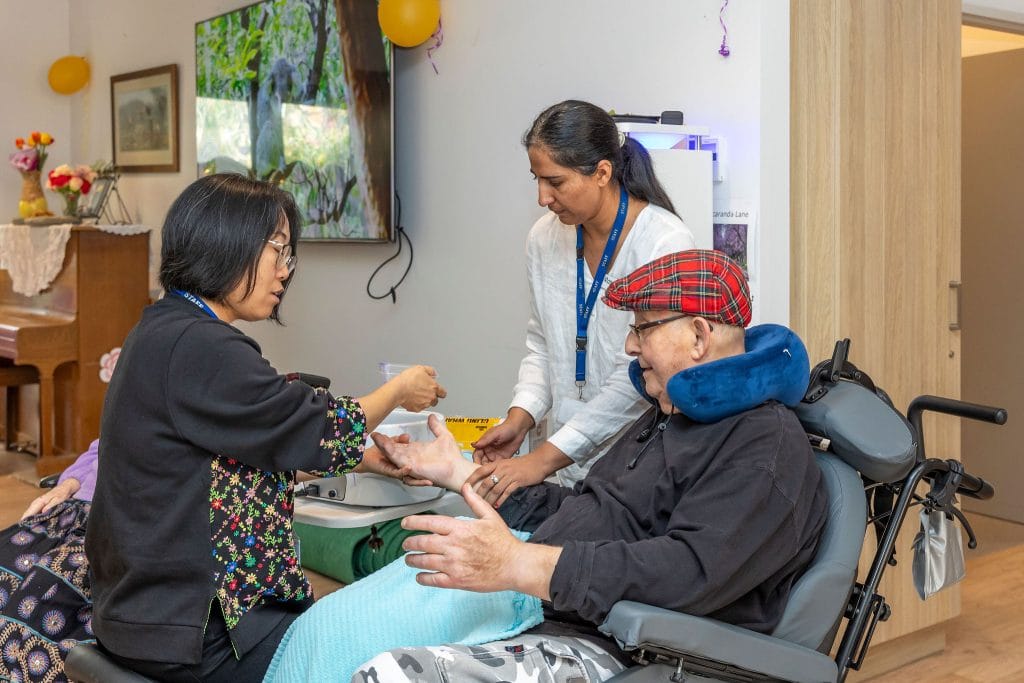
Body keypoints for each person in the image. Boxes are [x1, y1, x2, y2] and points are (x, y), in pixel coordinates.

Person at [356, 250, 828, 682]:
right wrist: (458, 472)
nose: (629, 345)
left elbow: (686, 571)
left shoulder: (764, 445)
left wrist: (519, 563)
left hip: (630, 652)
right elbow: (588, 509)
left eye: (643, 328)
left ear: (700, 336)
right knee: (359, 635)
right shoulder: (670, 416)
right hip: (561, 621)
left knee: (389, 674)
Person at [84, 173, 446, 681]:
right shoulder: (203, 346)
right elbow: (310, 425)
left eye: (289, 254)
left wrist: (372, 461)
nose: (286, 271)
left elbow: (243, 446)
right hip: (196, 632)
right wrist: (400, 390)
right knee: (395, 631)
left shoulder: (162, 328)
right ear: (225, 243)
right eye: (277, 250)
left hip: (143, 614)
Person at [471, 100, 695, 503]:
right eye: (536, 180)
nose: (543, 197)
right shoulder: (543, 238)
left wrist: (539, 461)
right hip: (560, 462)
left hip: (636, 468)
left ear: (602, 173)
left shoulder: (664, 243)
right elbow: (541, 345)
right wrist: (521, 417)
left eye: (555, 182)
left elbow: (638, 380)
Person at [0, 440, 98, 682]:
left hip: (115, 524)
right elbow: (103, 445)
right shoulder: (127, 404)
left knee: (37, 609)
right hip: (73, 509)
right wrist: (70, 482)